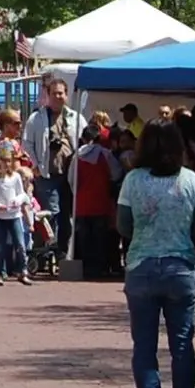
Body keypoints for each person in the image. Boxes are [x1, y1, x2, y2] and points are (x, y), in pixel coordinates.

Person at [115, 120, 195, 388]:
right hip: (179, 267)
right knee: (182, 344)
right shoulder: (192, 181)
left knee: (144, 344)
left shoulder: (133, 180)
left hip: (142, 265)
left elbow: (124, 226)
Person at [21, 72, 86, 266]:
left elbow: (84, 143)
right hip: (47, 175)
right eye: (54, 93)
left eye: (61, 93)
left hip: (70, 175)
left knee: (66, 216)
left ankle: (61, 253)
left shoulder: (76, 118)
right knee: (52, 214)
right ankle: (47, 253)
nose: (58, 97)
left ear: (67, 95)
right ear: (48, 95)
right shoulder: (36, 118)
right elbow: (27, 143)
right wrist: (35, 165)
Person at [69, 118, 123, 281]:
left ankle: (86, 267)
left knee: (84, 237)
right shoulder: (106, 155)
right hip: (101, 202)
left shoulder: (77, 156)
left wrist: (76, 194)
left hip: (82, 203)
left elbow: (72, 179)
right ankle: (99, 268)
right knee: (100, 237)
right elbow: (116, 174)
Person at [0, 139, 36, 286]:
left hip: (14, 216)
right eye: (3, 161)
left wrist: (17, 201)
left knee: (20, 244)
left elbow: (23, 194)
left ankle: (22, 271)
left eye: (8, 161)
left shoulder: (16, 177)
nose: (6, 164)